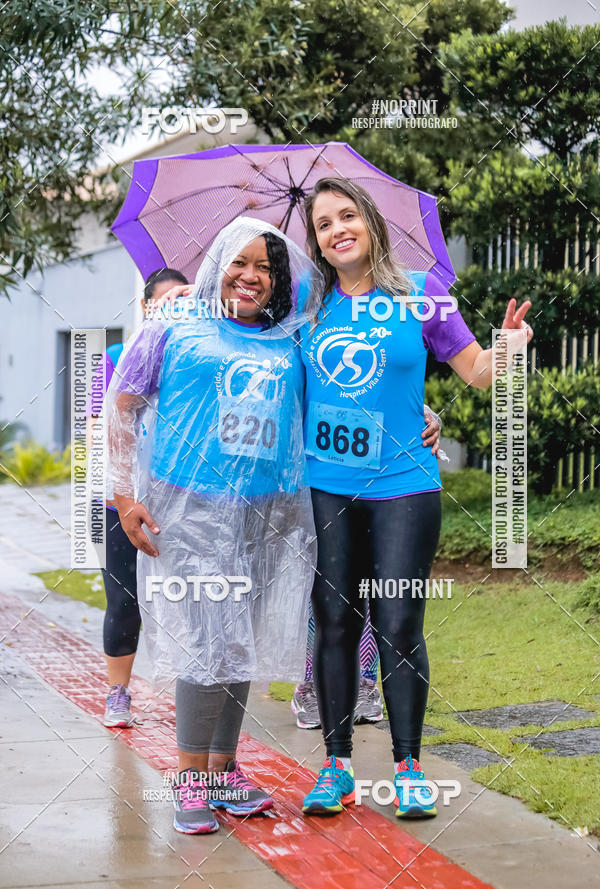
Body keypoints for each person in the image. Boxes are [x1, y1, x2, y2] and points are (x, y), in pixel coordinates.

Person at [299, 177, 533, 818]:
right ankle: (336, 766)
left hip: (405, 484)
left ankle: (407, 769)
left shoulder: (422, 295)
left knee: (400, 623)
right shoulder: (304, 300)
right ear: (315, 242)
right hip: (328, 487)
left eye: (347, 215)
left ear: (370, 221)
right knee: (337, 623)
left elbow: (480, 372)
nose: (337, 229)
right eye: (323, 224)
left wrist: (509, 349)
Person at [106, 218, 324, 834]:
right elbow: (121, 409)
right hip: (189, 513)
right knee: (201, 645)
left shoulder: (290, 342)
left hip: (267, 514)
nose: (251, 276)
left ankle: (223, 770)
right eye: (240, 261)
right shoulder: (173, 327)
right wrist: (124, 499)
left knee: (237, 647)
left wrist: (423, 412)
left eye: (266, 268)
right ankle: (190, 779)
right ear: (216, 264)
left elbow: (341, 397)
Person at [88, 268, 188, 727]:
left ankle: (192, 704)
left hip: (179, 501)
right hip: (121, 501)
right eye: (164, 302)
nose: (173, 309)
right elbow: (98, 424)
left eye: (182, 301)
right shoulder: (114, 355)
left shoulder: (195, 358)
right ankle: (118, 692)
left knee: (191, 601)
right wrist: (117, 493)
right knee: (123, 598)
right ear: (147, 306)